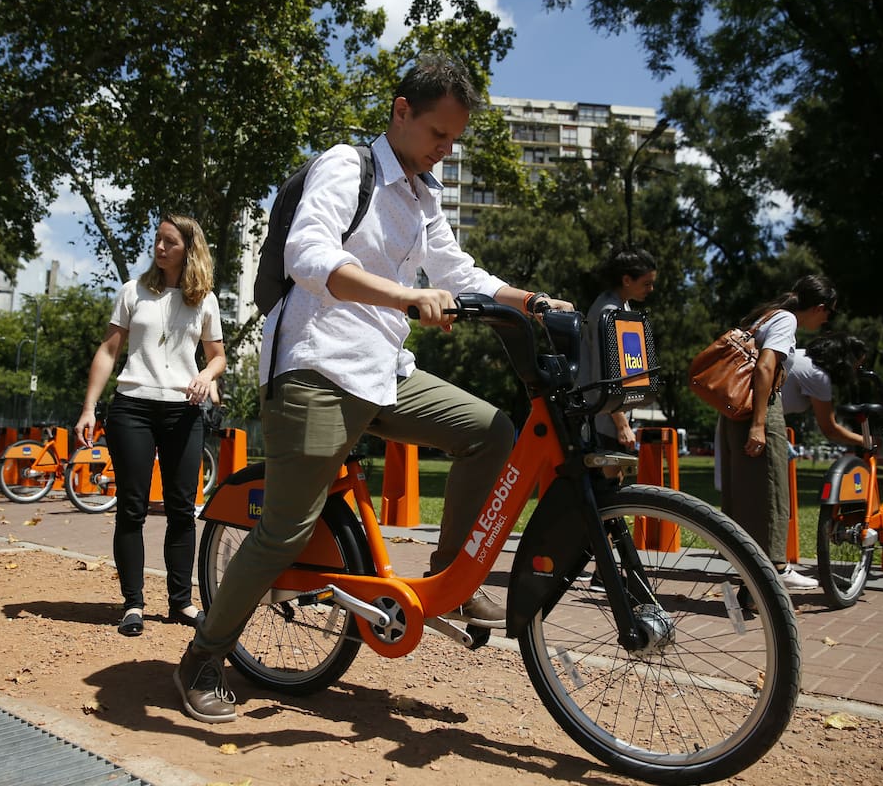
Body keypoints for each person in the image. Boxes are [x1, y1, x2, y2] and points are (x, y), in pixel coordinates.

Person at [174, 53, 573, 724]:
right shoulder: (345, 165)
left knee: (491, 431)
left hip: (386, 375)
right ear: (401, 112)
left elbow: (457, 268)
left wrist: (529, 300)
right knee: (282, 532)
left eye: (455, 139)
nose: (446, 151)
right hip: (317, 370)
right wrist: (405, 296)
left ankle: (454, 581)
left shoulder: (424, 195)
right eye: (438, 135)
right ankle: (204, 656)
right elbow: (309, 256)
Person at [75, 214, 226, 638]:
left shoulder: (205, 300)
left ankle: (181, 602)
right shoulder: (132, 292)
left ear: (188, 249)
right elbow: (109, 350)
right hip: (132, 409)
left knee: (182, 510)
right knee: (132, 507)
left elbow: (217, 356)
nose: (159, 248)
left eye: (169, 242)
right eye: (157, 240)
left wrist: (206, 376)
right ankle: (133, 603)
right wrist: (89, 407)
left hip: (183, 411)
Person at [717, 275, 837, 592]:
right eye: (828, 312)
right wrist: (759, 424)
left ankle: (750, 569)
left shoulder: (765, 315)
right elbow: (765, 367)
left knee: (745, 492)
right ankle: (776, 568)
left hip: (735, 408)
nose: (826, 319)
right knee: (772, 491)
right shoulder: (785, 320)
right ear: (820, 307)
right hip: (759, 408)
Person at [581, 247, 657, 452]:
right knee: (610, 481)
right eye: (646, 283)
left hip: (612, 414)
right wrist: (622, 425)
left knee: (614, 480)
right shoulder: (609, 312)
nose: (650, 289)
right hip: (605, 419)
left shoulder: (622, 306)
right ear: (626, 280)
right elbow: (604, 378)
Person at [781, 332, 866, 451]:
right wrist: (867, 441)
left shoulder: (800, 355)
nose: (855, 373)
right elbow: (830, 430)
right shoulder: (817, 375)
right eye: (856, 367)